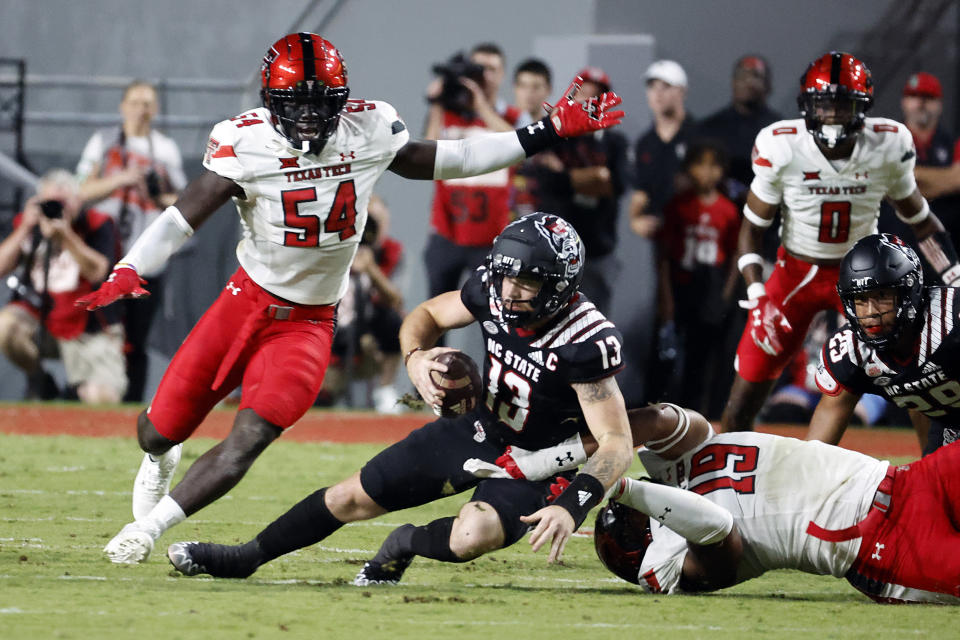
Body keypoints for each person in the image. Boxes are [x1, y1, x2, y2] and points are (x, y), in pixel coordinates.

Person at [78, 32, 624, 564]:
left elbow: (453, 158)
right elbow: (182, 216)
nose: (312, 116)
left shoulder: (368, 129)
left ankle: (146, 530)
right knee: (155, 430)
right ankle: (161, 454)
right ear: (271, 101)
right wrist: (131, 265)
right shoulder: (243, 142)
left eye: (324, 104)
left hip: (309, 321)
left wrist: (544, 132)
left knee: (250, 435)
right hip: (243, 300)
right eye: (298, 103)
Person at [165, 213, 634, 582]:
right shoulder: (492, 290)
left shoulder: (583, 341)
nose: (510, 292)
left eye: (527, 282)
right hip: (481, 428)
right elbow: (428, 313)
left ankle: (402, 543)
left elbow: (615, 441)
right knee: (350, 497)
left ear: (558, 285)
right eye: (506, 277)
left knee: (474, 535)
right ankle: (248, 557)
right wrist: (414, 359)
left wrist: (573, 505)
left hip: (544, 459)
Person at [721, 51, 960, 433]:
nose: (832, 115)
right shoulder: (781, 145)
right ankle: (726, 480)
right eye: (824, 105)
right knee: (746, 387)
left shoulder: (888, 144)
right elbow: (751, 227)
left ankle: (928, 472)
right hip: (795, 272)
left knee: (918, 373)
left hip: (865, 276)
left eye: (843, 105)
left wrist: (955, 277)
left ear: (862, 108)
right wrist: (757, 290)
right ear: (807, 107)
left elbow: (922, 223)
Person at [591, 403, 960, 604]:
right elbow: (718, 527)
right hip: (881, 548)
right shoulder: (669, 567)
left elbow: (655, 420)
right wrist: (619, 487)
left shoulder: (676, 458)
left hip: (906, 480)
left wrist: (574, 458)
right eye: (634, 517)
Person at [75, 80, 187, 402]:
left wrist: (155, 195)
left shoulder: (165, 149)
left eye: (148, 103)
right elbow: (80, 189)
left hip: (146, 256)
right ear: (122, 106)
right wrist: (121, 180)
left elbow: (182, 200)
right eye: (135, 101)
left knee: (136, 337)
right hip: (103, 253)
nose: (141, 109)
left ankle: (130, 406)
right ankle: (89, 395)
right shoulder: (103, 141)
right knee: (97, 330)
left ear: (156, 109)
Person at [808, 233, 960, 455]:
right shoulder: (852, 351)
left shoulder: (952, 318)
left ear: (909, 291)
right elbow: (815, 451)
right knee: (930, 484)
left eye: (881, 296)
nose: (870, 313)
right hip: (949, 423)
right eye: (860, 299)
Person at [0, 169, 125, 403]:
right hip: (42, 321)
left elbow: (99, 271)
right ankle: (40, 380)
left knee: (103, 399)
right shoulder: (28, 226)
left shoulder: (96, 224)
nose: (58, 210)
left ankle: (76, 393)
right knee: (4, 326)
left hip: (90, 326)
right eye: (51, 204)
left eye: (64, 203)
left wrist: (65, 236)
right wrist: (25, 228)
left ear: (78, 201)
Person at [511, 66, 628, 314]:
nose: (588, 101)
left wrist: (566, 176)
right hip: (552, 248)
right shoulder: (556, 134)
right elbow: (546, 181)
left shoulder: (615, 142)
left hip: (597, 248)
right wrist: (594, 175)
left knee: (593, 322)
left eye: (595, 95)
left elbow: (615, 186)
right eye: (583, 93)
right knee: (544, 317)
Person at [424, 43, 523, 301]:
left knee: (496, 313)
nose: (485, 76)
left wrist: (481, 106)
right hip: (447, 231)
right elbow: (426, 155)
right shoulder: (447, 115)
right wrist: (437, 104)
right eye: (478, 68)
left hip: (493, 237)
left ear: (502, 75)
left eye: (492, 69)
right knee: (435, 309)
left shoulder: (513, 116)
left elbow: (519, 144)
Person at [656, 141, 740, 416]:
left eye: (714, 166)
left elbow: (733, 256)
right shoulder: (678, 206)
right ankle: (668, 411)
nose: (707, 172)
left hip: (712, 286)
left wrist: (725, 295)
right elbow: (666, 255)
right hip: (683, 284)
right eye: (700, 164)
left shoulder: (728, 210)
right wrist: (666, 297)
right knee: (672, 355)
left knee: (708, 356)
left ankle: (707, 414)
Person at [698, 55, 782, 203]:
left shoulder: (780, 130)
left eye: (756, 77)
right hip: (722, 214)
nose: (748, 82)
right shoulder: (710, 129)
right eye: (742, 76)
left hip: (769, 212)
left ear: (768, 86)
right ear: (733, 82)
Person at [628, 59, 695, 240]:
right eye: (652, 86)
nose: (658, 93)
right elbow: (641, 191)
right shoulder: (644, 143)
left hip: (697, 233)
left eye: (666, 86)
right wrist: (635, 220)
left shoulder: (699, 136)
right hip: (661, 240)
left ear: (682, 91)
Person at [900, 72, 960, 250]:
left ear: (939, 105)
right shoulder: (888, 140)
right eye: (914, 96)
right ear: (904, 101)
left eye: (928, 97)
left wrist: (911, 175)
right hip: (897, 247)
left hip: (948, 247)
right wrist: (943, 181)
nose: (920, 103)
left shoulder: (953, 143)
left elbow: (957, 179)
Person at [512, 58, 553, 129]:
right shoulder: (496, 125)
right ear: (514, 88)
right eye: (523, 86)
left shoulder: (556, 131)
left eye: (536, 87)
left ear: (549, 89)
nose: (529, 93)